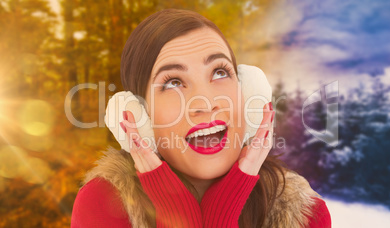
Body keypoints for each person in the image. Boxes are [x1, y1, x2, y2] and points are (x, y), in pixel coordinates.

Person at [71, 8, 331, 228]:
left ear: (247, 92)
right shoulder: (102, 204)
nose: (205, 103)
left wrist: (228, 199)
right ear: (141, 117)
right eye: (173, 82)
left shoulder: (306, 215)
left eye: (219, 72)